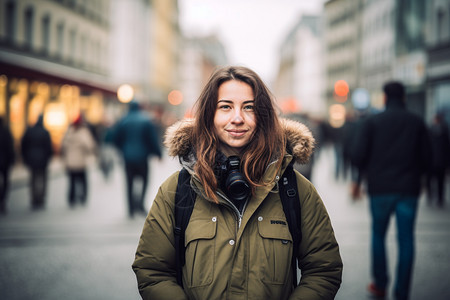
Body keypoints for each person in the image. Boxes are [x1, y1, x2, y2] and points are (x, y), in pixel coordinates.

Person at [132, 66, 342, 299]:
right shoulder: (176, 190)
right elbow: (152, 271)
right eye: (225, 107)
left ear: (262, 116)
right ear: (209, 115)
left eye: (249, 107)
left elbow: (324, 270)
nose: (238, 118)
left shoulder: (295, 190)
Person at [351, 81, 431, 300]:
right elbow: (427, 158)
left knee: (378, 234)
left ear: (385, 98)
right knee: (406, 239)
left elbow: (358, 155)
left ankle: (380, 284)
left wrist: (361, 178)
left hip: (380, 189)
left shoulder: (372, 122)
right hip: (408, 189)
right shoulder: (417, 122)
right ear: (404, 97)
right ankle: (402, 291)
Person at [112, 100, 162, 217]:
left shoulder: (123, 120)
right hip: (142, 158)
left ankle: (130, 209)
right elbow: (152, 139)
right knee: (144, 181)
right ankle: (140, 204)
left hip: (128, 158)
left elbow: (115, 139)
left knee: (129, 183)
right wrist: (158, 153)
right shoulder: (145, 120)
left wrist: (123, 150)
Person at [60, 114, 96, 207]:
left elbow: (63, 146)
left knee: (72, 182)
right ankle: (83, 198)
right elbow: (90, 146)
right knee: (83, 181)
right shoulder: (84, 133)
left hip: (70, 162)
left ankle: (71, 199)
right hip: (80, 162)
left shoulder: (68, 132)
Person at [21, 115, 53, 210]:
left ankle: (34, 198)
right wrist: (48, 158)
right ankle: (41, 198)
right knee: (42, 180)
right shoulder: (45, 132)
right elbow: (49, 148)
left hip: (32, 159)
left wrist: (25, 158)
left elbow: (24, 145)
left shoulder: (30, 131)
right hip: (42, 160)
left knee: (33, 179)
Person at [427, 112, 450, 207]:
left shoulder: (430, 130)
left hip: (433, 161)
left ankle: (432, 197)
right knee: (439, 181)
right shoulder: (444, 131)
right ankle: (438, 198)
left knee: (433, 180)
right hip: (439, 161)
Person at [0, 117, 15, 214]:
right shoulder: (6, 132)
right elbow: (10, 146)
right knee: (5, 181)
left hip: (4, 161)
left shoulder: (6, 132)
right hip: (5, 162)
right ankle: (2, 199)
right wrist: (12, 160)